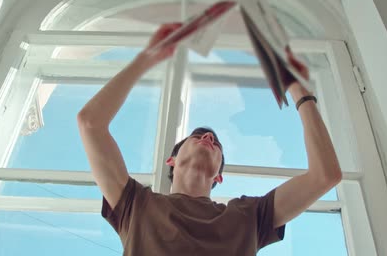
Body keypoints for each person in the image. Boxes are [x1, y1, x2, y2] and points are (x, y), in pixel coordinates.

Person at [77, 23, 342, 255]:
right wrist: (147, 58)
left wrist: (299, 92)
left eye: (216, 143)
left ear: (218, 177)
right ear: (171, 160)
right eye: (197, 136)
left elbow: (325, 175)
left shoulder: (248, 216)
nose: (207, 137)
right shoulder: (136, 205)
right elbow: (90, 123)